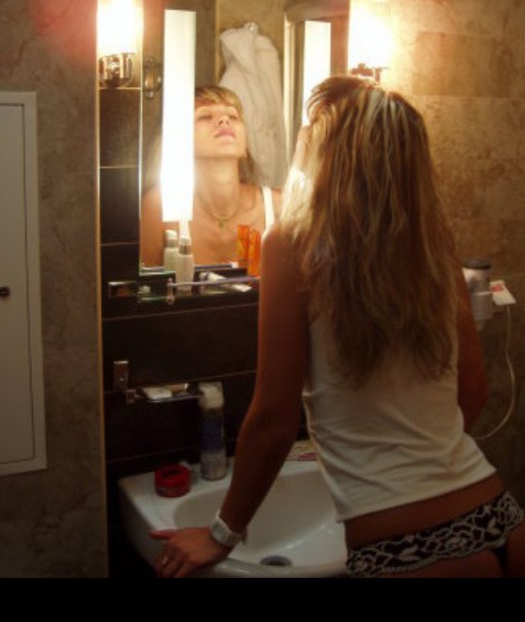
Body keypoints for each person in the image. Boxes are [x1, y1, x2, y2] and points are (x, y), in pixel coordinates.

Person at [151, 76, 525, 579]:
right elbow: (473, 392)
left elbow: (274, 421)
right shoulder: (432, 249)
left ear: (332, 155)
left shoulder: (292, 245)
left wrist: (220, 535)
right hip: (499, 516)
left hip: (407, 546)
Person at [141, 85, 282, 267]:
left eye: (233, 116)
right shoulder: (161, 207)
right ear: (179, 139)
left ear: (245, 145)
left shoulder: (277, 208)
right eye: (205, 116)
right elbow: (142, 283)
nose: (224, 120)